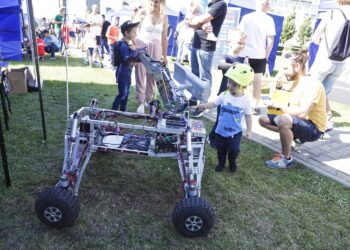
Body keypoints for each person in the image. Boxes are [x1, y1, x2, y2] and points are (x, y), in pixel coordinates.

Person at [259, 50, 327, 169]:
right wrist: (278, 87)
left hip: (314, 128)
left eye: (285, 68)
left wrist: (277, 106)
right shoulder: (294, 82)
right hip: (298, 121)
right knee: (263, 119)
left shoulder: (313, 84)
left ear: (297, 66)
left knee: (284, 120)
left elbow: (302, 113)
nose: (282, 72)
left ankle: (286, 159)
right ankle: (293, 137)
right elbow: (278, 108)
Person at [197, 63, 254, 173]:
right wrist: (204, 106)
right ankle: (221, 164)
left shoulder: (245, 100)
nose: (229, 86)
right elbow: (214, 103)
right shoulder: (224, 94)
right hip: (220, 131)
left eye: (234, 84)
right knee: (220, 150)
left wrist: (249, 130)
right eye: (229, 82)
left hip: (235, 132)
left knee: (234, 150)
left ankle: (232, 161)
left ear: (243, 86)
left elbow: (248, 115)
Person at [309, 0, 350, 131]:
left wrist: (321, 41)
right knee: (324, 93)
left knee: (310, 92)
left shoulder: (332, 13)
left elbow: (315, 37)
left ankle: (304, 123)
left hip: (324, 60)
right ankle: (325, 122)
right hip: (341, 63)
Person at [186, 0, 228, 117]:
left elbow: (199, 20)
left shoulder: (221, 4)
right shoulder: (209, 5)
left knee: (205, 78)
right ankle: (194, 99)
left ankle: (203, 105)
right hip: (196, 44)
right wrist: (196, 22)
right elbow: (189, 23)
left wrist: (197, 21)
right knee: (195, 75)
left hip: (206, 47)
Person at [208, 29, 247, 148]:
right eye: (239, 42)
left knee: (231, 117)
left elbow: (247, 73)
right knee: (221, 116)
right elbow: (220, 65)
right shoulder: (227, 57)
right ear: (229, 43)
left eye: (243, 43)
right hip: (224, 92)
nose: (241, 46)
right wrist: (235, 66)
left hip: (238, 94)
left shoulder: (243, 59)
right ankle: (213, 138)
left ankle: (228, 138)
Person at [238, 0, 276, 114]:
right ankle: (254, 105)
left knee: (240, 78)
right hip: (259, 54)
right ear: (266, 5)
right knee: (257, 80)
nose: (268, 5)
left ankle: (239, 102)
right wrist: (266, 57)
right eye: (268, 3)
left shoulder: (246, 17)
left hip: (244, 53)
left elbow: (239, 35)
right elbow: (270, 42)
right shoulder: (269, 20)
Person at [134, 0, 169, 114]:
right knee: (140, 73)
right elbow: (132, 29)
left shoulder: (164, 16)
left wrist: (164, 56)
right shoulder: (143, 12)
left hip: (157, 47)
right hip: (142, 45)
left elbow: (164, 38)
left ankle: (149, 100)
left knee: (153, 76)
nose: (155, 1)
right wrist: (134, 46)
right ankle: (140, 102)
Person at [112, 21, 140, 112]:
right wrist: (135, 52)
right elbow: (128, 59)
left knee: (126, 92)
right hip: (122, 73)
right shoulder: (123, 45)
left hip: (127, 73)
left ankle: (123, 109)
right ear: (127, 33)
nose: (136, 34)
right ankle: (114, 110)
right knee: (122, 93)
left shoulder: (128, 44)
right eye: (134, 32)